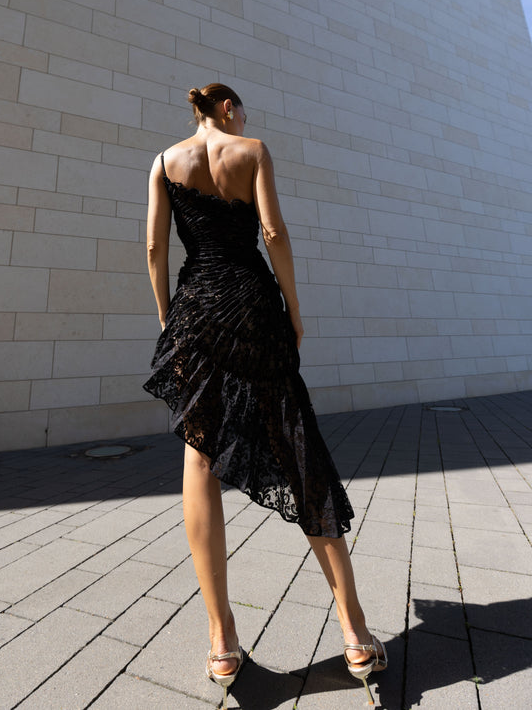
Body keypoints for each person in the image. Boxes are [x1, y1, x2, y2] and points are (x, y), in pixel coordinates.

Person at [143, 83, 387, 707]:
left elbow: (154, 248)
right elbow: (273, 234)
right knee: (295, 444)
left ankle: (222, 641)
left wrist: (168, 320)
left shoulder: (165, 162)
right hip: (252, 303)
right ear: (227, 108)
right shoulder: (252, 150)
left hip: (196, 307)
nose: (247, 116)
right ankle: (355, 632)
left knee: (199, 452)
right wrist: (296, 312)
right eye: (242, 107)